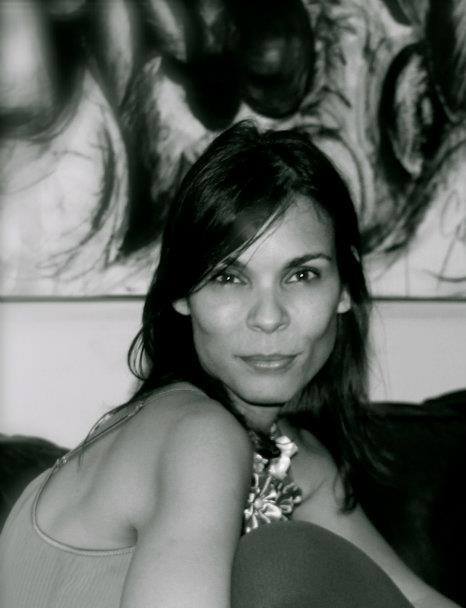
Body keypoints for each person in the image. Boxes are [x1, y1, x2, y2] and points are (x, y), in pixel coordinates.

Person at [0, 121, 459, 608]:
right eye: (228, 278)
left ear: (344, 288)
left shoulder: (295, 461)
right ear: (182, 292)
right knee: (281, 561)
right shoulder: (199, 436)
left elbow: (416, 601)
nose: (269, 317)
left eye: (302, 275)